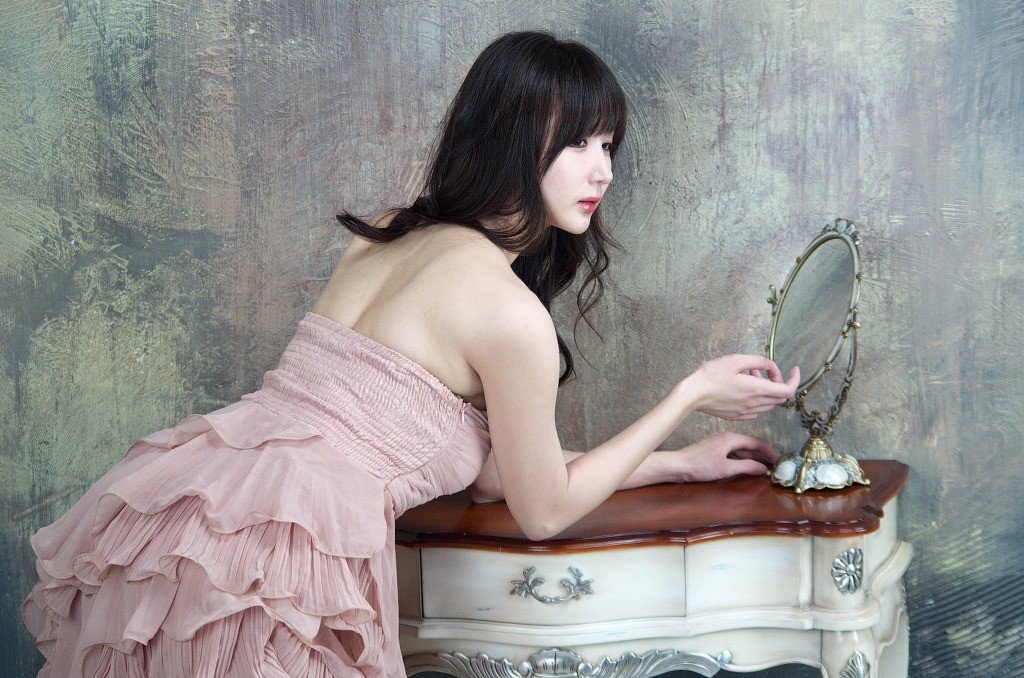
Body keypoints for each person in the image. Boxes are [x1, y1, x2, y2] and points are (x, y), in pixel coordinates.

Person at [21, 30, 799, 677]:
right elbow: (543, 511)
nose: (604, 170)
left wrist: (676, 465)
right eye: (576, 143)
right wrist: (688, 395)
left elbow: (489, 470)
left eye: (607, 144)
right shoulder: (508, 314)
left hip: (202, 508)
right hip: (288, 550)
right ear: (511, 139)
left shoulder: (386, 233)